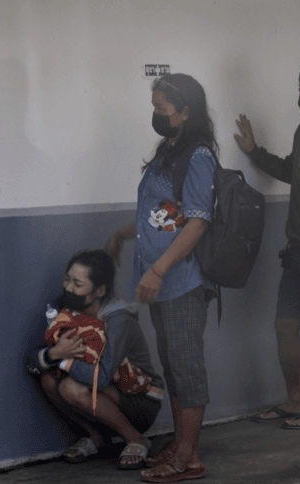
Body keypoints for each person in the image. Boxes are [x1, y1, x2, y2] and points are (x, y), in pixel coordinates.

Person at [105, 73, 217, 482]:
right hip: (165, 280)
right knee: (173, 366)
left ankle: (188, 456)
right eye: (153, 106)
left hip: (182, 281)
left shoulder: (198, 155)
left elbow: (198, 221)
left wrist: (158, 268)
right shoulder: (170, 149)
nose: (155, 114)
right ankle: (183, 446)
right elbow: (169, 215)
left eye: (161, 109)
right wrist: (124, 234)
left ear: (186, 112)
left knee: (186, 367)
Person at [233, 56, 300, 429]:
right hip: (297, 248)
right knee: (285, 326)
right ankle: (295, 400)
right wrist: (253, 151)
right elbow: (292, 172)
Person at [26, 249, 164, 470]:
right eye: (67, 279)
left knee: (71, 387)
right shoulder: (67, 309)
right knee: (48, 381)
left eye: (78, 284)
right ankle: (96, 437)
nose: (68, 288)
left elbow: (101, 377)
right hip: (101, 395)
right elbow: (32, 363)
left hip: (139, 399)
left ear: (99, 291)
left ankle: (136, 439)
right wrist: (52, 354)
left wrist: (62, 360)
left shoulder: (119, 319)